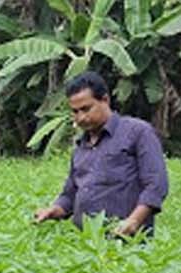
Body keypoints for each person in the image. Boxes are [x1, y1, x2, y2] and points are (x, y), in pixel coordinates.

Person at [33, 71, 169, 239]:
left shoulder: (137, 132)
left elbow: (156, 184)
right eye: (75, 111)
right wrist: (54, 209)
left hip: (128, 243)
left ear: (105, 100)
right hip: (86, 247)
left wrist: (134, 221)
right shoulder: (81, 146)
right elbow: (70, 194)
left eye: (86, 109)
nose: (81, 117)